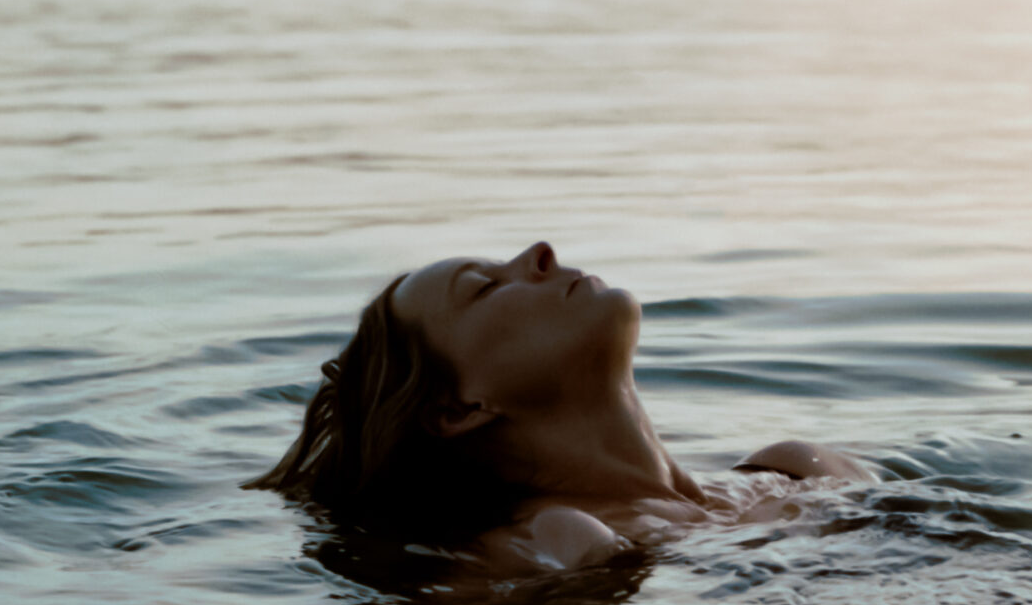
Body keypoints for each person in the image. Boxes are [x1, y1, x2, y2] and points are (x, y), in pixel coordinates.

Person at [247, 241, 874, 574]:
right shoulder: (559, 541)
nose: (540, 252)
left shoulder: (797, 468)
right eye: (484, 287)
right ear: (459, 408)